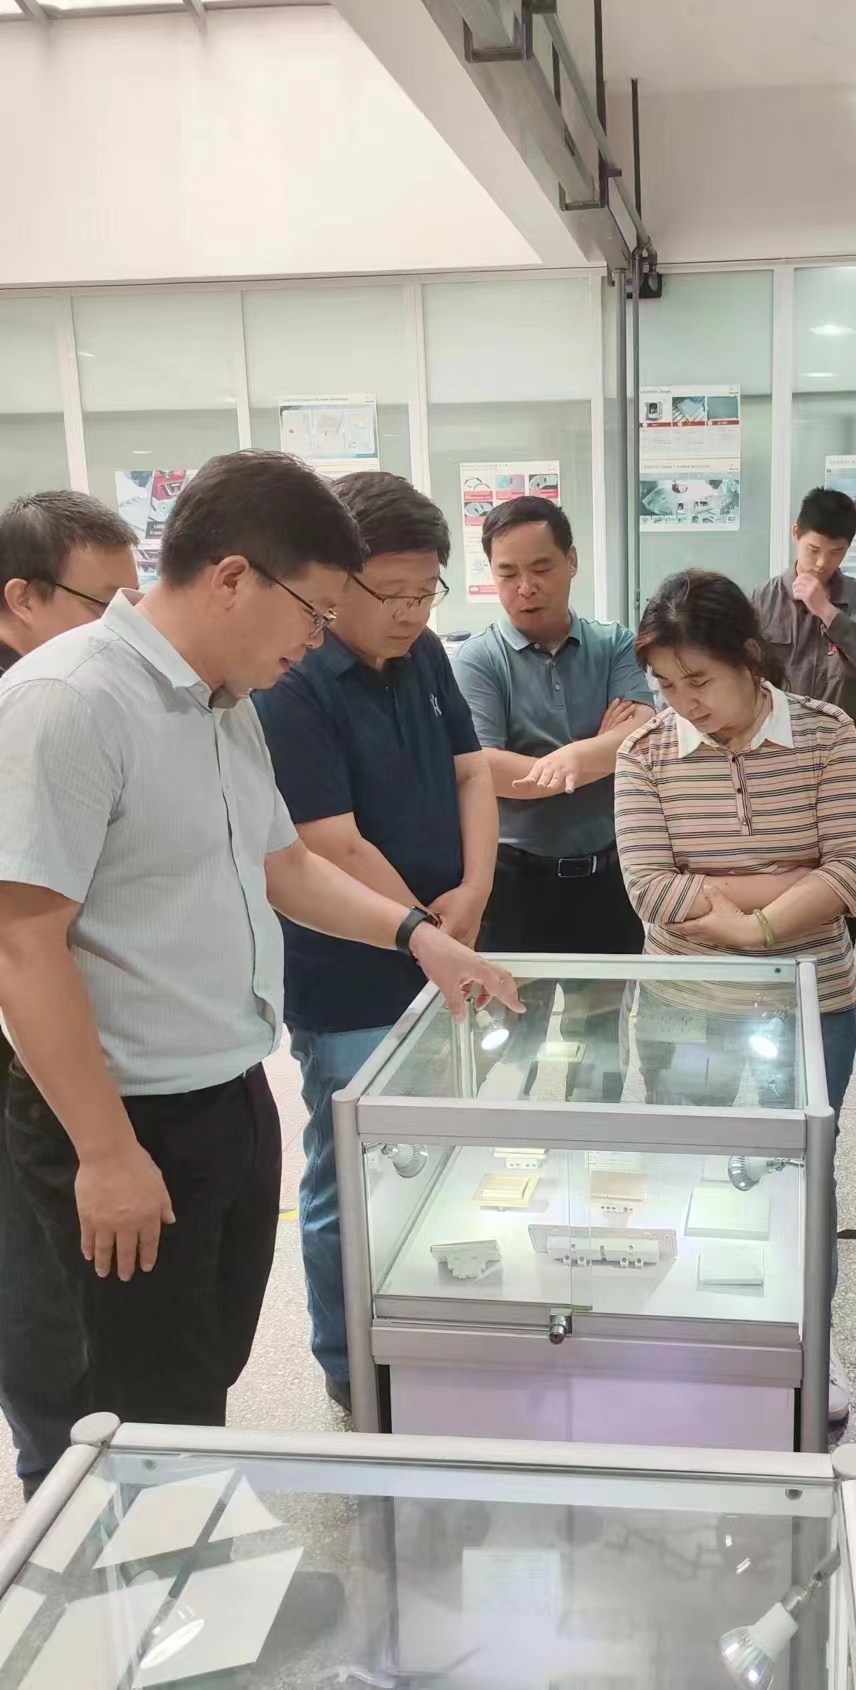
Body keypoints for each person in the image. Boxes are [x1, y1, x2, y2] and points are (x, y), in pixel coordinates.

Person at [0, 450, 519, 1476]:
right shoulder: (67, 700)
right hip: (121, 1115)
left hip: (227, 1089)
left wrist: (420, 937)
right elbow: (22, 944)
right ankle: (135, 1570)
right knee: (132, 1409)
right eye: (314, 612)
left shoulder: (224, 703)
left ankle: (180, 1545)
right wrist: (105, 1153)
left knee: (199, 1372)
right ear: (234, 577)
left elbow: (286, 866)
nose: (318, 639)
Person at [253, 471, 498, 1411]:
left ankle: (436, 1331)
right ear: (333, 581)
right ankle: (351, 1362)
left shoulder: (426, 652)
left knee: (446, 1158)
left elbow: (473, 774)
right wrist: (428, 932)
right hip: (351, 976)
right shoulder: (294, 683)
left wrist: (475, 892)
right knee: (352, 1174)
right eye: (387, 593)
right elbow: (331, 842)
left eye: (425, 591)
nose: (409, 613)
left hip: (447, 946)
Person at [613, 568, 856, 1422]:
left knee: (801, 1176)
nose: (683, 703)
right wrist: (787, 884)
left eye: (699, 679)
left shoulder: (826, 734)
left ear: (750, 658)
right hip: (683, 1004)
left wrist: (752, 926)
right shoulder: (645, 753)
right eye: (665, 685)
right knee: (687, 1170)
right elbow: (651, 888)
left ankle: (808, 1342)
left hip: (809, 1006)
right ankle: (698, 1334)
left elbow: (853, 867)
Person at [0, 491, 139, 1497]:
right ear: (22, 598)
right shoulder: (35, 707)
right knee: (39, 1287)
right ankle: (64, 1488)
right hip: (21, 1040)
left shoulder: (86, 696)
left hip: (56, 1034)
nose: (124, 627)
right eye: (105, 605)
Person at [453, 494, 653, 955]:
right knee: (512, 999)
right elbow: (484, 768)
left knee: (611, 1001)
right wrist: (598, 754)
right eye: (507, 574)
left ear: (572, 561)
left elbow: (640, 733)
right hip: (514, 881)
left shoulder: (614, 643)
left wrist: (574, 757)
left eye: (541, 568)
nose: (525, 587)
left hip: (608, 874)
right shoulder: (479, 659)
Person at [752, 486, 856, 743]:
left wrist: (828, 612)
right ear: (796, 533)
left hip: (840, 744)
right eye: (813, 549)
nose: (822, 563)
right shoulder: (762, 599)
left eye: (836, 552)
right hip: (776, 743)